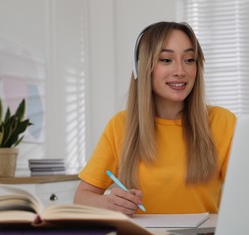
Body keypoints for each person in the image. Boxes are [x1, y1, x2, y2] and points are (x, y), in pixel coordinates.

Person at [74, 21, 237, 216]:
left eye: (189, 59)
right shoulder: (121, 126)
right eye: (166, 60)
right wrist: (109, 203)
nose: (180, 71)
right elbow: (81, 198)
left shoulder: (222, 122)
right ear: (142, 68)